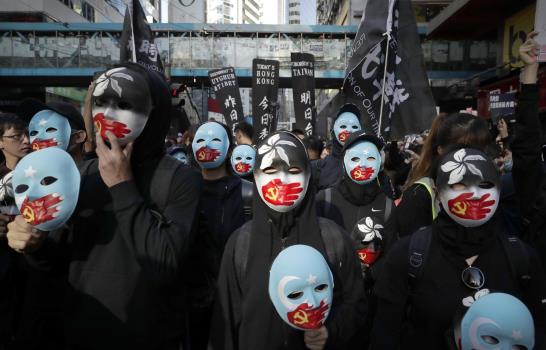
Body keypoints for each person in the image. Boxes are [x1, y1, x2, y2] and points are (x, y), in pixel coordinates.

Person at [6, 62, 202, 349]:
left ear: (154, 111)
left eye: (124, 104)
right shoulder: (83, 173)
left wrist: (122, 186)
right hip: (80, 333)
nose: (108, 113)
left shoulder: (180, 179)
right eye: (101, 102)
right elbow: (59, 261)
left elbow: (164, 266)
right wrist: (35, 244)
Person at [370, 147, 546, 349]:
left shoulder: (522, 258)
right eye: (460, 185)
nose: (474, 194)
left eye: (485, 184)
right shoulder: (407, 255)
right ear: (438, 193)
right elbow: (384, 336)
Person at [209, 131, 367, 350]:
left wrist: (331, 331)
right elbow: (224, 325)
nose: (281, 179)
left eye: (293, 170)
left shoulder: (334, 239)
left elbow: (357, 306)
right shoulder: (240, 244)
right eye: (270, 170)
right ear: (255, 176)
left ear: (309, 175)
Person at [315, 130, 393, 348]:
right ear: (344, 161)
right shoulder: (324, 200)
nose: (363, 164)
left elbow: (391, 255)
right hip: (329, 305)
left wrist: (370, 271)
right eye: (356, 157)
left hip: (369, 306)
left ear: (380, 161)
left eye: (370, 157)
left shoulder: (387, 205)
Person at [187, 121, 251, 350]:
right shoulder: (183, 190)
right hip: (193, 301)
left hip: (236, 298)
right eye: (201, 140)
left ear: (228, 148)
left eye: (215, 140)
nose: (207, 145)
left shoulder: (247, 193)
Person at [0, 113, 30, 349]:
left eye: (27, 134)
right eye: (17, 136)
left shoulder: (42, 173)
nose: (26, 141)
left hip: (35, 261)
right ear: (1, 142)